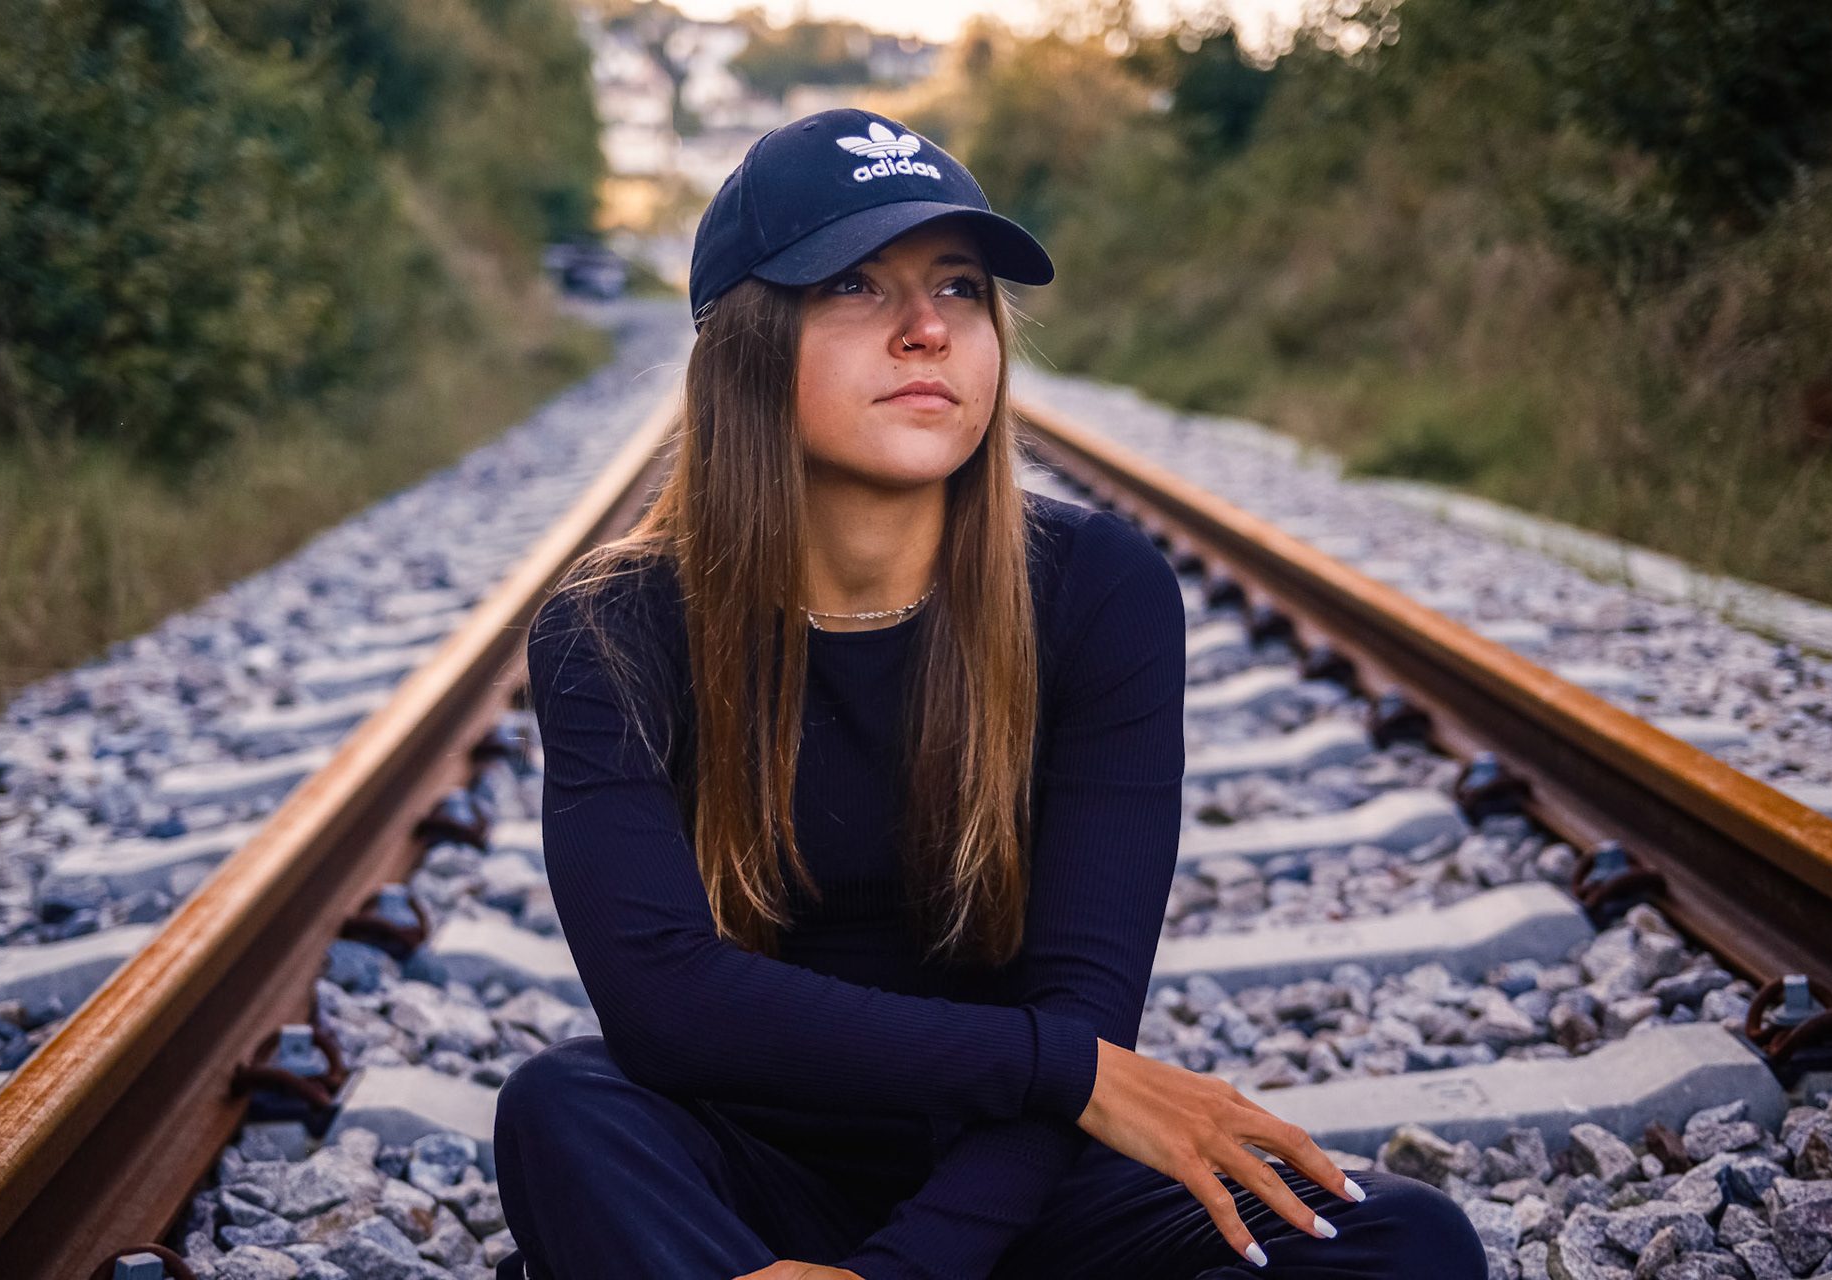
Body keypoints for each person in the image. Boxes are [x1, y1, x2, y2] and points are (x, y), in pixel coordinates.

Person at [492, 108, 1487, 1280]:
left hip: (1020, 1179)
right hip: (745, 1160)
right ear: (747, 342)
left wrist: (907, 1267)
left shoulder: (1097, 591)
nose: (927, 330)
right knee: (565, 1107)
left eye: (960, 289)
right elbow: (664, 1001)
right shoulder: (613, 625)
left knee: (1405, 1238)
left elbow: (1084, 996)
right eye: (858, 285)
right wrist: (1062, 1069)